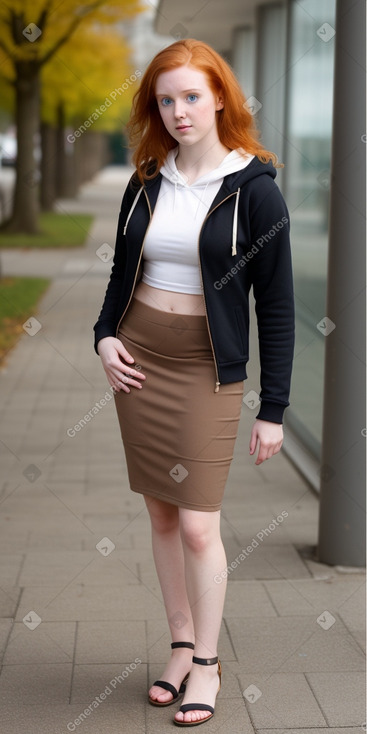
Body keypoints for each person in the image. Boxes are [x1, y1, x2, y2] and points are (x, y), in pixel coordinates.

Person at [93, 38, 295, 727]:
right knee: (158, 513)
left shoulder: (256, 190)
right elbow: (123, 274)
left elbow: (275, 305)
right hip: (141, 356)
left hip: (208, 371)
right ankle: (179, 644)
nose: (178, 111)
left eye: (190, 96)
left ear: (218, 97)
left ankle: (206, 663)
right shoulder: (146, 177)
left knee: (200, 527)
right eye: (165, 99)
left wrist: (273, 408)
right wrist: (104, 337)